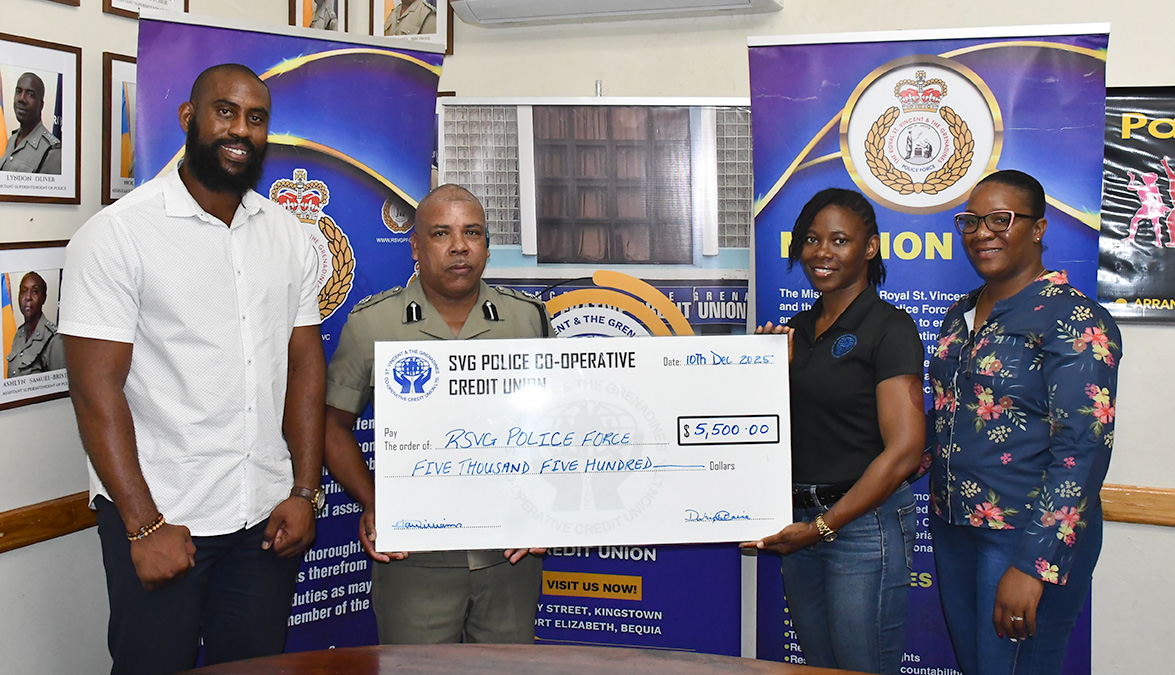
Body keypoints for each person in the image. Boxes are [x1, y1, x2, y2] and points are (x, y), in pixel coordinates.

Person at [59, 63, 326, 675]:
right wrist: (142, 525)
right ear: (188, 117)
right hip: (161, 516)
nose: (241, 130)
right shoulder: (118, 235)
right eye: (224, 111)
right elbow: (95, 390)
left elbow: (304, 364)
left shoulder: (287, 235)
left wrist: (303, 491)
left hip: (263, 520)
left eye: (256, 118)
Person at [324, 183, 550, 644]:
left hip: (508, 554)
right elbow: (332, 427)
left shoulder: (527, 319)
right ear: (415, 247)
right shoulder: (372, 324)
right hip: (415, 560)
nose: (459, 246)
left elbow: (554, 427)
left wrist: (545, 508)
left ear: (487, 246)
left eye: (473, 232)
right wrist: (374, 500)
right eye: (441, 233)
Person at [927, 170, 1121, 675]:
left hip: (1024, 534)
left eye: (1001, 219)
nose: (982, 233)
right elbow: (951, 416)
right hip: (954, 528)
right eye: (971, 221)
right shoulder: (961, 313)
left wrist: (1035, 564)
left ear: (1038, 229)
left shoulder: (1074, 319)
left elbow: (1083, 450)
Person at [743, 188, 925, 674]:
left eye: (839, 240)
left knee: (861, 667)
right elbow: (775, 429)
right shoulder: (795, 331)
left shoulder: (890, 328)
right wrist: (764, 377)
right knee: (818, 667)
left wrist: (824, 526)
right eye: (811, 239)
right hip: (799, 524)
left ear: (870, 248)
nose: (821, 252)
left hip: (861, 527)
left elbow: (905, 451)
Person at [5, 271, 65, 377]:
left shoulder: (54, 340)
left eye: (35, 291)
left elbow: (59, 386)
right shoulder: (19, 334)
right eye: (23, 291)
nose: (28, 297)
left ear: (43, 298)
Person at [0, 72, 62, 174]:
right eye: (18, 91)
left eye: (30, 94)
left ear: (41, 105)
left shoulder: (51, 151)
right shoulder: (12, 140)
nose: (21, 99)